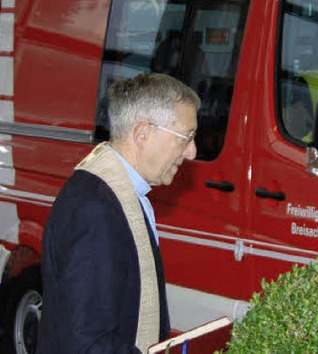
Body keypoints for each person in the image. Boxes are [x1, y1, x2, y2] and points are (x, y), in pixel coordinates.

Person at [37, 73, 200, 353]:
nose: (192, 152)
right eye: (185, 138)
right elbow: (88, 342)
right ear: (142, 134)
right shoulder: (96, 210)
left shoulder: (115, 192)